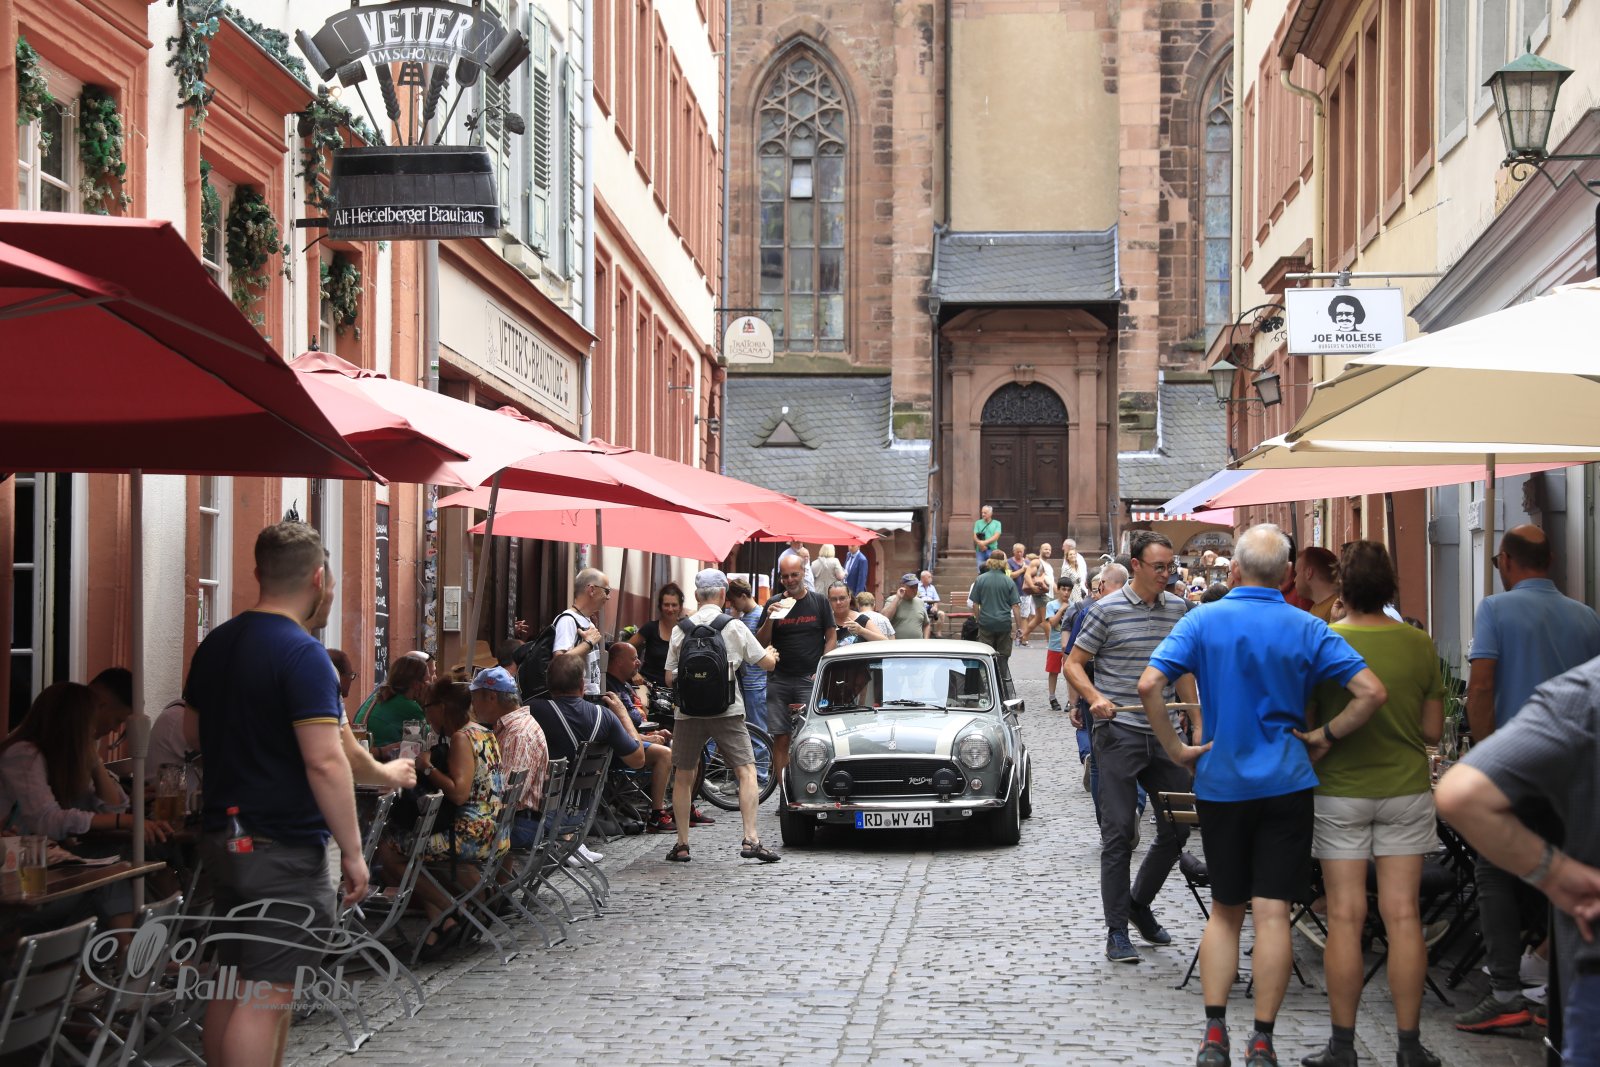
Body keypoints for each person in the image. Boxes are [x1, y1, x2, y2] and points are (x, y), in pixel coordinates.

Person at [1134, 524, 1387, 1067]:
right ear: (1288, 574)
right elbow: (1371, 692)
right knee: (1272, 913)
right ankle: (1263, 1040)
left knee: (1225, 911)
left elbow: (1149, 683)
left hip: (1223, 782)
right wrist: (1324, 736)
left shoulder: (1202, 619)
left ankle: (1214, 1035)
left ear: (1236, 570)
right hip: (1286, 782)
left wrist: (1177, 749)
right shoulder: (1307, 625)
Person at [183, 522, 414, 1067]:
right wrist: (353, 853)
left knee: (231, 982)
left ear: (258, 572)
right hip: (280, 844)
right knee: (267, 997)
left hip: (225, 837)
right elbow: (325, 759)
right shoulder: (304, 654)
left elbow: (193, 734)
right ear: (318, 578)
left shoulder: (216, 643)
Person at [1302, 542, 1445, 1067]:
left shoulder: (1325, 641)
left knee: (1344, 916)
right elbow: (1433, 730)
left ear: (1343, 586)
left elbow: (1306, 720)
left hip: (1339, 789)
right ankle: (1409, 1046)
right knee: (1403, 915)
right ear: (1389, 586)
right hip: (1404, 787)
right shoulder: (1418, 643)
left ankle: (1342, 1046)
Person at [1454, 523, 1600, 1033]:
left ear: (1507, 561)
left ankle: (1504, 991)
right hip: (1575, 771)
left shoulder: (1495, 609)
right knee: (1564, 870)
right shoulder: (1587, 617)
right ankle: (1559, 985)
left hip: (1518, 763)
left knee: (1494, 871)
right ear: (1551, 561)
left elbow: (1481, 687)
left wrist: (1485, 752)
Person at [1436, 657, 1600, 1067]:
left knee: (1491, 871)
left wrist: (1559, 876)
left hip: (1590, 965)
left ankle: (1507, 988)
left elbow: (1463, 793)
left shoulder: (1586, 692)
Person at [1063, 531, 1196, 966]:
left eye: (1170, 567)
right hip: (1119, 732)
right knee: (1119, 832)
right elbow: (1073, 664)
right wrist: (1093, 697)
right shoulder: (1106, 610)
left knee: (1177, 829)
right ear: (1136, 565)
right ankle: (1117, 930)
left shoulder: (1179, 609)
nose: (1166, 574)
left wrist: (1195, 719)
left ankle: (1139, 903)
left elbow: (1182, 670)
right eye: (1159, 567)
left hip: (1166, 736)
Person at [377, 679, 506, 959]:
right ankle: (440, 928)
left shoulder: (461, 738)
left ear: (442, 707)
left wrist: (427, 767)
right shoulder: (484, 732)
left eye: (428, 708)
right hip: (493, 830)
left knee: (388, 851)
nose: (426, 715)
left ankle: (450, 910)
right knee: (416, 850)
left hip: (469, 835)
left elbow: (458, 793)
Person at [663, 569, 782, 863]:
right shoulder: (733, 626)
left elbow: (668, 677)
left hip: (687, 713)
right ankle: (751, 839)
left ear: (696, 596)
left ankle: (682, 844)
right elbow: (766, 664)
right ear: (722, 594)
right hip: (727, 709)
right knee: (746, 771)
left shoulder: (681, 629)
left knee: (684, 775)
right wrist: (772, 654)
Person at [757, 555, 837, 781]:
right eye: (785, 576)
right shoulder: (774, 603)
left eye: (794, 574)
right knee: (781, 737)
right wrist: (770, 618)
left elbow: (831, 637)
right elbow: (760, 643)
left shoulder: (819, 601)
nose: (790, 580)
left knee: (811, 737)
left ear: (803, 573)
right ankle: (784, 792)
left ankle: (808, 787)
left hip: (809, 679)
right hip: (779, 679)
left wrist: (822, 669)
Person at [469, 666, 550, 850]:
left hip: (517, 825)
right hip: (518, 821)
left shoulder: (517, 734)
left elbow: (504, 796)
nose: (473, 706)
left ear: (492, 697)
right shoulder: (513, 727)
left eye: (475, 699)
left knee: (442, 834)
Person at [598, 643, 676, 830]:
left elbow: (635, 722)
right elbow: (617, 730)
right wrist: (648, 739)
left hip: (637, 739)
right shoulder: (608, 688)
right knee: (664, 754)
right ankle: (657, 814)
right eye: (633, 658)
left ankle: (681, 806)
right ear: (618, 661)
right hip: (620, 749)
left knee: (679, 747)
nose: (638, 662)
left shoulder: (624, 684)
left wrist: (653, 733)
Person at [554, 568, 612, 698]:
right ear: (592, 590)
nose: (608, 597)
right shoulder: (568, 620)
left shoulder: (587, 621)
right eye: (606, 591)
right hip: (575, 700)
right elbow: (559, 662)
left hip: (589, 698)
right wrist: (588, 643)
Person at [355, 654, 430, 751]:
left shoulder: (378, 696)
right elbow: (430, 736)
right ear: (416, 684)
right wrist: (427, 702)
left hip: (364, 752)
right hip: (383, 758)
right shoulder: (409, 706)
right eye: (426, 680)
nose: (429, 684)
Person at [970, 551, 1021, 685]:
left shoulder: (980, 579)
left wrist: (978, 619)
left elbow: (975, 604)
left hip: (986, 622)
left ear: (989, 562)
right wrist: (1019, 627)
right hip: (1004, 623)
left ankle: (987, 684)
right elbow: (1016, 606)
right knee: (1003, 655)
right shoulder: (1008, 581)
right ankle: (1002, 682)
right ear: (1004, 563)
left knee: (985, 654)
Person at [727, 579, 768, 731]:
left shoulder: (759, 615)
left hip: (756, 683)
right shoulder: (743, 617)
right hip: (747, 683)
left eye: (733, 601)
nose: (732, 605)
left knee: (758, 729)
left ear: (743, 596)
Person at [628, 582, 685, 686]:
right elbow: (624, 650)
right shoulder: (650, 628)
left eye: (674, 605)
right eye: (666, 605)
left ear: (680, 607)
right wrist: (634, 673)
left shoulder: (686, 630)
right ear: (660, 606)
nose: (670, 609)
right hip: (648, 685)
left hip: (677, 687)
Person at [1043, 575, 1078, 711]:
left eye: (1069, 590)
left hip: (1069, 646)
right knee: (1053, 672)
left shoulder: (1074, 606)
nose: (1066, 593)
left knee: (1069, 673)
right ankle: (1052, 697)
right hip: (1054, 645)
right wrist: (1062, 609)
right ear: (1058, 590)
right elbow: (1052, 622)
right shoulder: (1051, 605)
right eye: (1063, 589)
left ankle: (1071, 699)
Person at [828, 582, 887, 646]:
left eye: (842, 598)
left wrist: (862, 631)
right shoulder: (826, 621)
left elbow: (885, 641)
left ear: (849, 597)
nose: (838, 602)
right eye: (834, 599)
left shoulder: (861, 619)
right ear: (829, 600)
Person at [1019, 545, 1057, 643]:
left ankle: (1023, 636)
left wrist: (1058, 591)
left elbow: (1051, 581)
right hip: (1041, 594)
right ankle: (1051, 642)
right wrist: (1032, 586)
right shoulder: (1037, 562)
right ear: (1040, 550)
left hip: (1048, 593)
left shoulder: (1048, 565)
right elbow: (1027, 575)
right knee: (1046, 619)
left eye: (1049, 549)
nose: (1048, 551)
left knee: (1038, 619)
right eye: (1046, 549)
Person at [1295, 546, 1341, 621]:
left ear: (1308, 573)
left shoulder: (1337, 610)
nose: (1295, 579)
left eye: (1297, 573)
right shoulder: (1317, 607)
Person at [888, 573, 931, 639]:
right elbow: (885, 618)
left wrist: (925, 640)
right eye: (911, 587)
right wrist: (897, 598)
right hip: (898, 644)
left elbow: (926, 624)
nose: (914, 590)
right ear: (902, 586)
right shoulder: (892, 600)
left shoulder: (920, 602)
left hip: (918, 644)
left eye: (916, 586)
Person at [973, 505, 1001, 570]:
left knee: (993, 570)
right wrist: (981, 545)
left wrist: (984, 543)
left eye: (985, 513)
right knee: (980, 570)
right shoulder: (978, 523)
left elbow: (996, 536)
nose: (983, 514)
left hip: (992, 550)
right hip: (980, 550)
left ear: (991, 513)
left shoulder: (997, 523)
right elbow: (975, 536)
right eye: (982, 512)